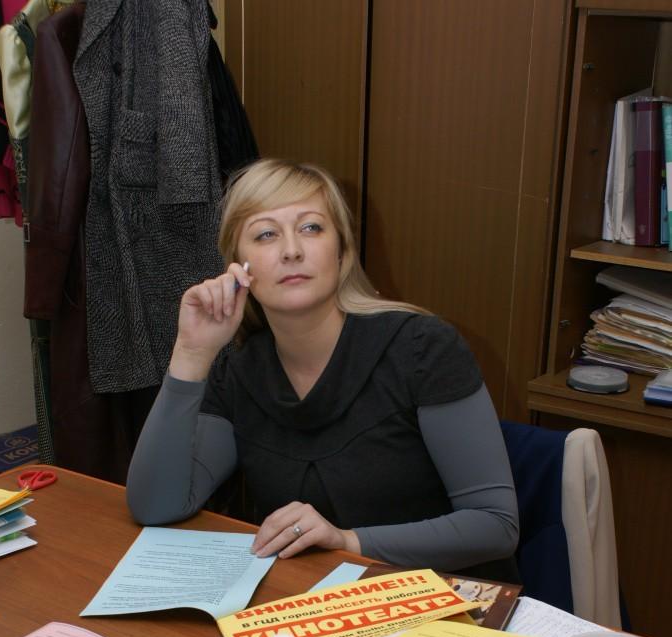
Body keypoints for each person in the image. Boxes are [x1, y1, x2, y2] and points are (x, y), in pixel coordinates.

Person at [127, 158, 519, 578]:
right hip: (310, 598)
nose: (291, 250)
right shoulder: (239, 370)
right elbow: (156, 507)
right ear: (239, 268)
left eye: (311, 228)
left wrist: (347, 542)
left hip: (444, 599)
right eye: (266, 234)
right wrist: (190, 354)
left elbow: (495, 525)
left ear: (342, 251)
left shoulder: (423, 349)